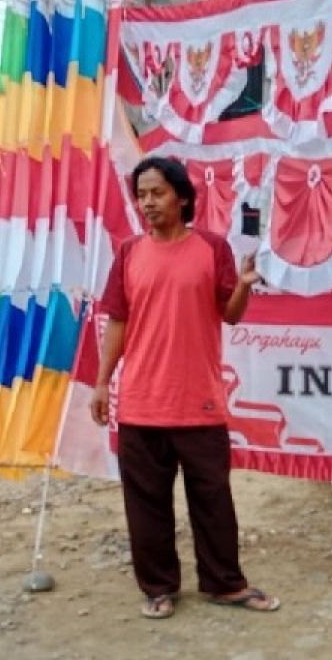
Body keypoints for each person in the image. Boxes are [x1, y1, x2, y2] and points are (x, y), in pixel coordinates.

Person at [92, 156, 280, 619]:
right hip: (141, 402)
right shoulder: (129, 253)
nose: (148, 203)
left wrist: (244, 285)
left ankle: (224, 583)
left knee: (213, 499)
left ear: (182, 196)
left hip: (199, 401)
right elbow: (118, 320)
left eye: (157, 193)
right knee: (145, 506)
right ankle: (158, 587)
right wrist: (102, 383)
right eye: (141, 195)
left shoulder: (212, 248)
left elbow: (229, 313)